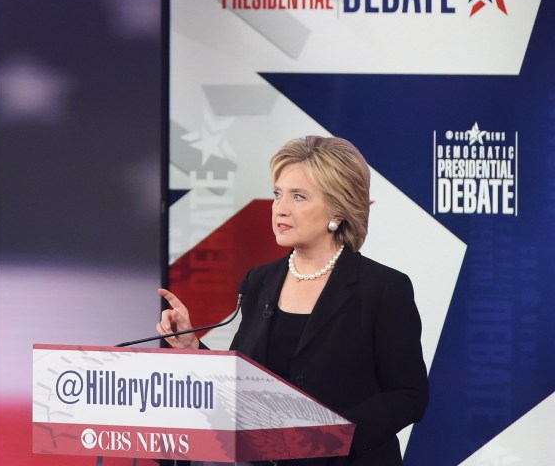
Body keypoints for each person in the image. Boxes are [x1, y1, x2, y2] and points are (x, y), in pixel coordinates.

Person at [157, 136, 428, 466]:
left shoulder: (383, 288)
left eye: (298, 196)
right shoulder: (259, 281)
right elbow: (244, 382)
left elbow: (408, 396)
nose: (280, 208)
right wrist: (192, 349)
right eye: (277, 194)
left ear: (338, 210)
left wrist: (329, 440)